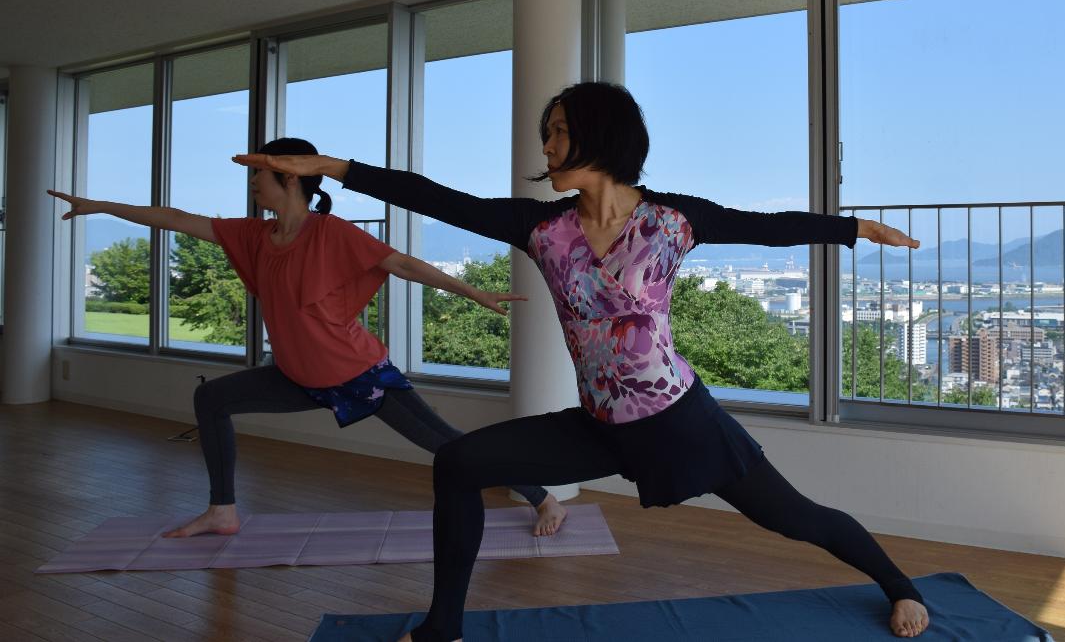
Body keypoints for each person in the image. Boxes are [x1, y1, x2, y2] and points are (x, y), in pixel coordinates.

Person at [235, 86, 930, 640]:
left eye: (559, 129)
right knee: (460, 463)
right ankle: (442, 627)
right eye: (548, 131)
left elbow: (769, 227)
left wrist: (856, 227)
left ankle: (900, 583)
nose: (547, 144)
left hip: (679, 419)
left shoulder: (672, 220)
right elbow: (440, 198)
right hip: (598, 422)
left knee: (797, 518)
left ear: (601, 134)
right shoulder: (544, 228)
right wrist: (331, 169)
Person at [48, 137, 566, 540]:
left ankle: (544, 497)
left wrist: (474, 292)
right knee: (212, 398)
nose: (253, 184)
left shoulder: (330, 232)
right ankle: (222, 510)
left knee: (448, 445)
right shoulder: (255, 236)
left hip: (358, 375)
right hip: (296, 377)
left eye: (260, 175)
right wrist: (101, 205)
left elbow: (400, 263)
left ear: (291, 178)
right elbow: (180, 220)